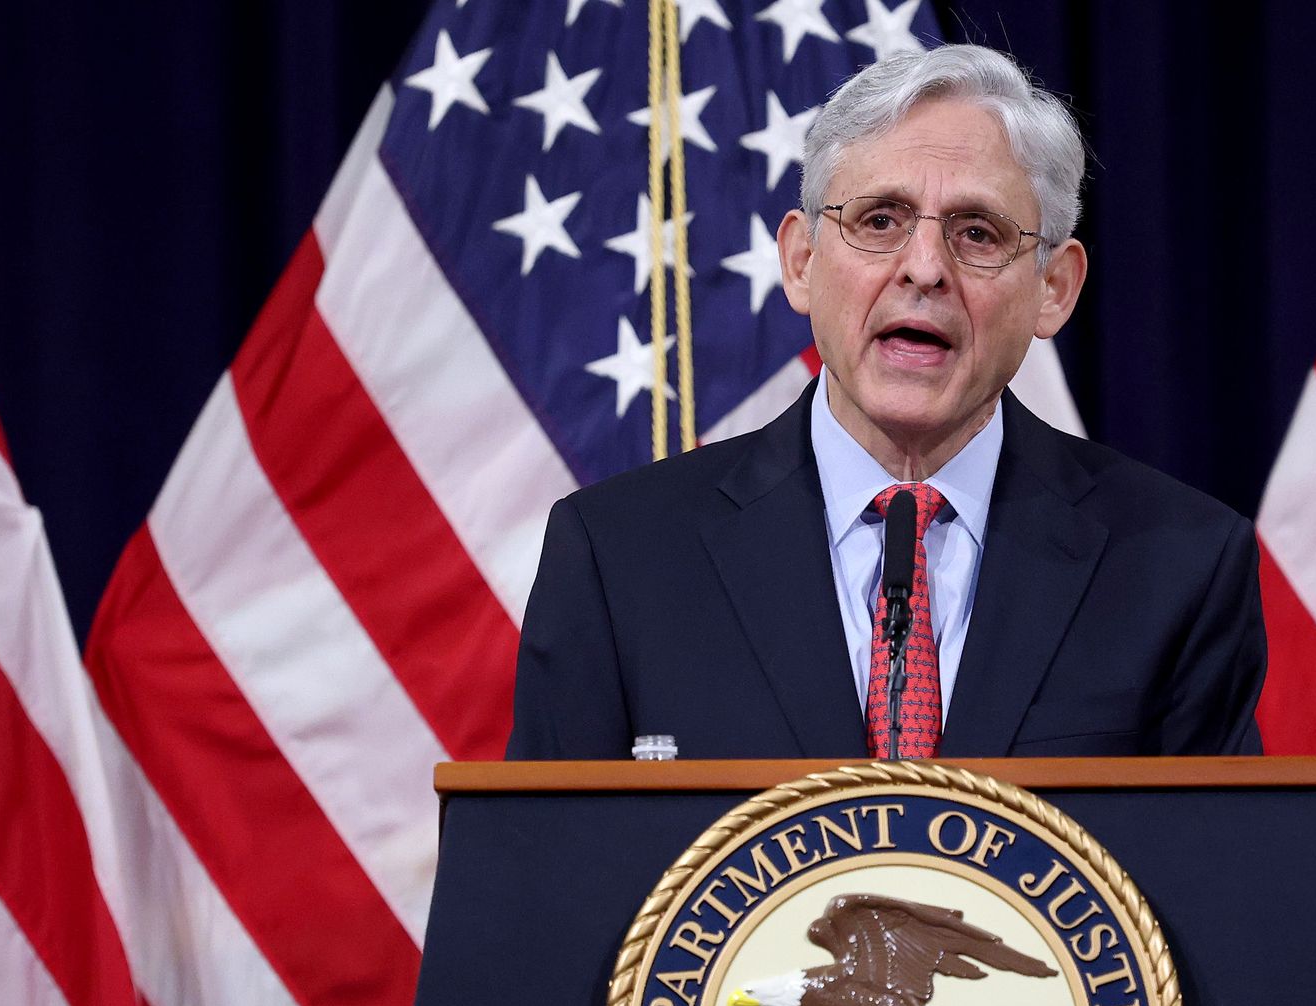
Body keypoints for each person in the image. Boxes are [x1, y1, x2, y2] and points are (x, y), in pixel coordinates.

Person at [506, 45, 1265, 761]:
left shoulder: (1177, 568)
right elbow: (541, 887)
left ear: (1053, 289)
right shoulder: (620, 560)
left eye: (977, 232)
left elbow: (1216, 887)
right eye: (879, 221)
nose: (926, 269)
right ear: (802, 262)